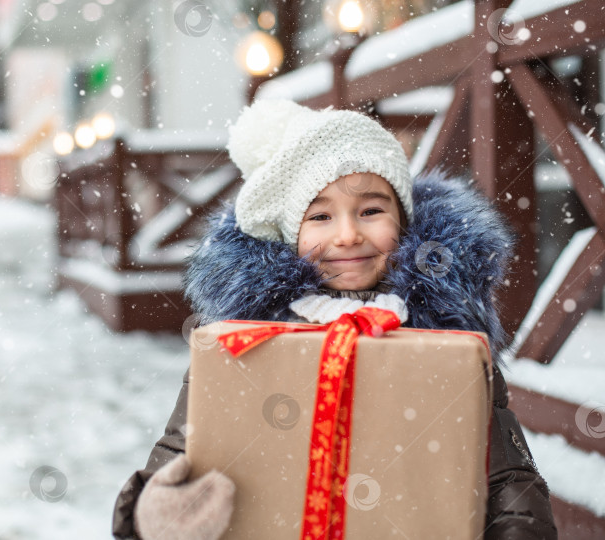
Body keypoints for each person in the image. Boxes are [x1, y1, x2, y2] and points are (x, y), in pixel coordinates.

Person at [112, 100, 558, 539]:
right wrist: (151, 516)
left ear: (402, 221)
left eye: (371, 211)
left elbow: (507, 479)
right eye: (321, 216)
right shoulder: (244, 345)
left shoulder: (447, 341)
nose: (347, 234)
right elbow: (180, 452)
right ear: (292, 234)